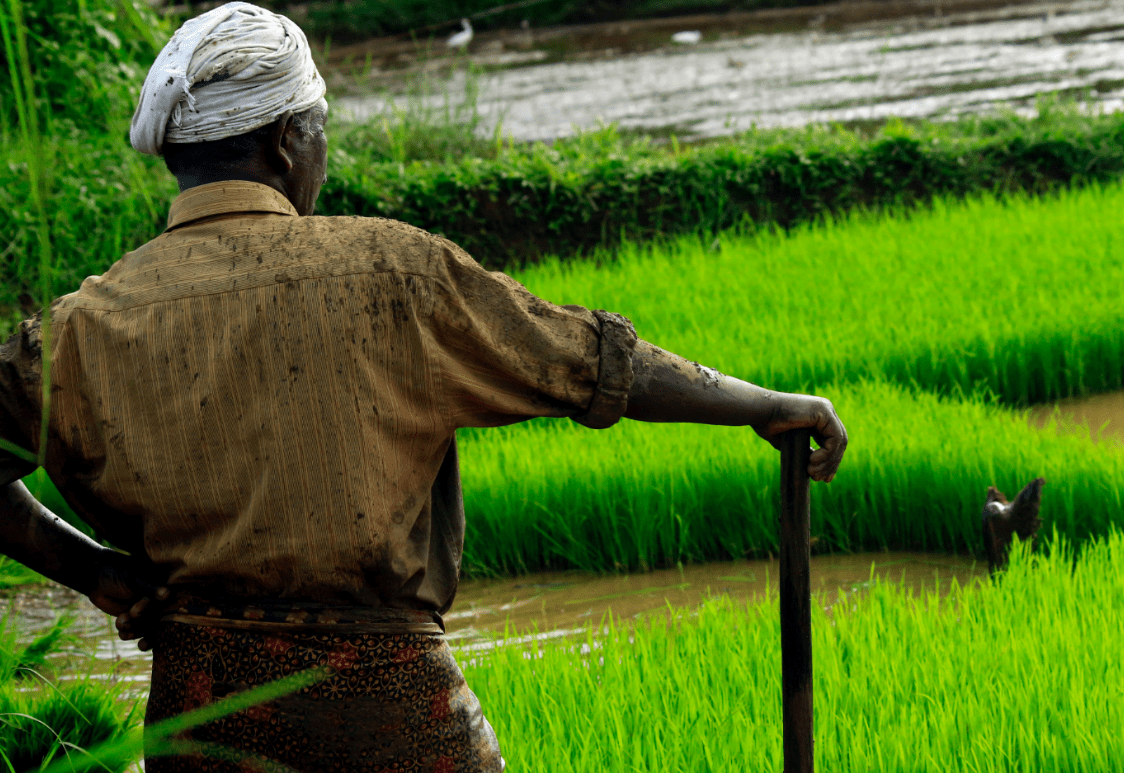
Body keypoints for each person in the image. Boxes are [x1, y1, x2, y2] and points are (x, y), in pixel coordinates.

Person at [0, 4, 848, 771]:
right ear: (290, 140)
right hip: (389, 712)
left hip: (201, 722)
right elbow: (587, 358)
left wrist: (88, 569)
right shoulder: (391, 270)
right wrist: (766, 405)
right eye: (320, 130)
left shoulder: (79, 328)